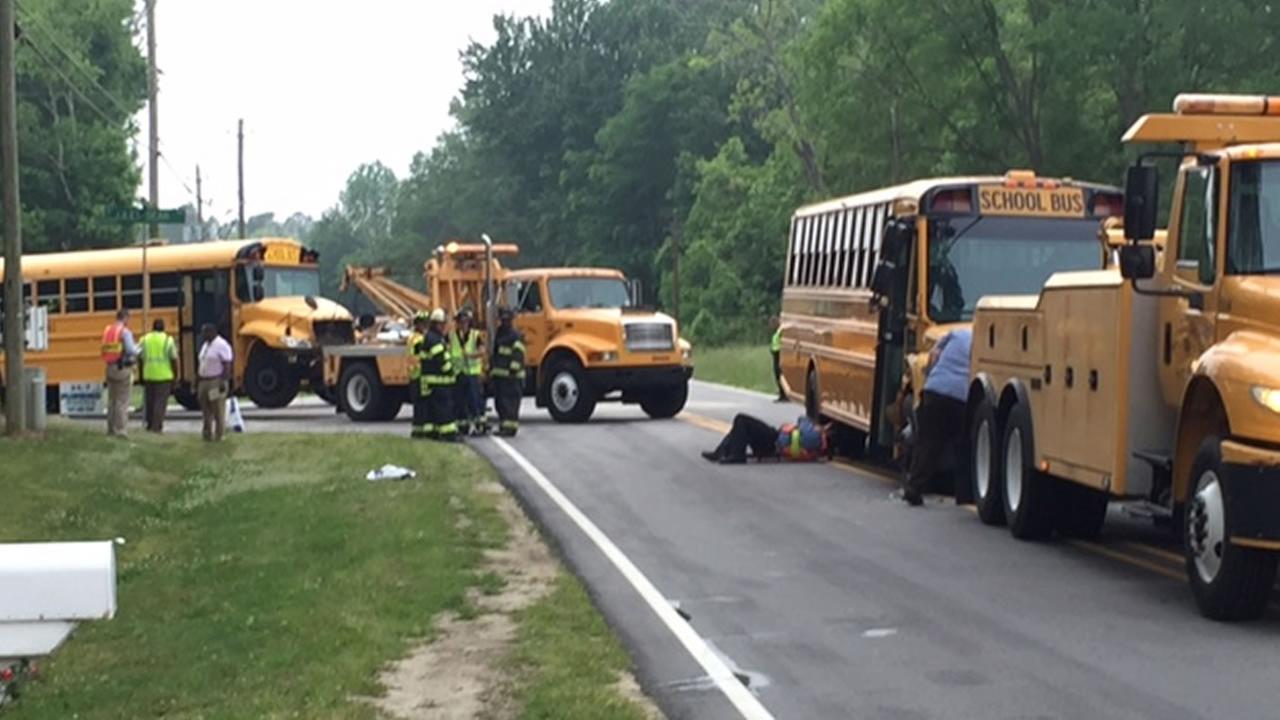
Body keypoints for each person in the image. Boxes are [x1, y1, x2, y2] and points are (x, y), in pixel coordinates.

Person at [901, 327, 973, 506]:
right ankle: (964, 494)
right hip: (961, 396)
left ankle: (914, 488)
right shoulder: (984, 341)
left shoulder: (955, 333)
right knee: (963, 446)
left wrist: (931, 376)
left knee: (928, 444)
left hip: (934, 390)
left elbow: (933, 356)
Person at [701, 413, 828, 464]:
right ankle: (720, 452)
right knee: (739, 428)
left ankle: (736, 455)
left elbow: (803, 420)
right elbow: (802, 419)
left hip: (774, 442)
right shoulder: (814, 434)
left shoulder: (815, 436)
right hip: (774, 439)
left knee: (741, 419)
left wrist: (815, 427)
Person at [417, 308, 459, 441]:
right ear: (437, 324)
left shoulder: (431, 337)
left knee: (432, 410)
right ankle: (449, 434)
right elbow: (441, 360)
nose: (444, 327)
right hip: (439, 382)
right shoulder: (434, 339)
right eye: (442, 324)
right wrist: (451, 372)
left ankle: (432, 433)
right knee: (444, 409)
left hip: (432, 382)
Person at [101, 309, 140, 437]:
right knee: (122, 401)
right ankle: (121, 430)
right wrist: (139, 349)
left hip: (109, 367)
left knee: (112, 400)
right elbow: (130, 350)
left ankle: (110, 429)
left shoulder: (108, 330)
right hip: (122, 368)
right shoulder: (124, 332)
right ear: (126, 318)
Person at [138, 318, 179, 433]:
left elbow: (139, 358)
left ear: (153, 327)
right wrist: (176, 376)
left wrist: (141, 374)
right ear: (163, 328)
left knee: (149, 401)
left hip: (149, 375)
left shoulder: (144, 339)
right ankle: (157, 426)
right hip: (164, 376)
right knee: (160, 403)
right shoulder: (168, 340)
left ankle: (149, 424)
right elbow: (174, 359)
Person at [450, 308, 486, 435]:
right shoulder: (452, 335)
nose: (462, 324)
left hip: (472, 374)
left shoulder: (475, 335)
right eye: (460, 322)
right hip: (458, 374)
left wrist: (470, 355)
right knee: (459, 402)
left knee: (474, 401)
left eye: (464, 321)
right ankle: (462, 426)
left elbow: (482, 351)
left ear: (468, 322)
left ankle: (479, 426)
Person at [490, 307, 526, 437]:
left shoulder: (515, 336)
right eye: (502, 320)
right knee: (501, 403)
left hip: (512, 378)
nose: (504, 322)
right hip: (500, 377)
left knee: (510, 404)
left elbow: (518, 354)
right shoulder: (500, 333)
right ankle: (504, 426)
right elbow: (496, 354)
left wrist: (513, 370)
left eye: (506, 320)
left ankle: (510, 428)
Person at [197, 323, 234, 442]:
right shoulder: (206, 345)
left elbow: (227, 364)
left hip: (216, 381)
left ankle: (220, 434)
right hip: (204, 381)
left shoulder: (221, 345)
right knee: (205, 409)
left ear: (211, 332)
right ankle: (207, 434)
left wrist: (224, 381)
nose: (203, 335)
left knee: (217, 409)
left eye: (204, 333)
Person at [408, 311, 432, 439]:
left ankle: (417, 430)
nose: (425, 326)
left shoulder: (412, 338)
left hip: (415, 376)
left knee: (419, 406)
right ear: (418, 324)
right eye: (424, 323)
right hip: (420, 376)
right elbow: (424, 357)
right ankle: (422, 431)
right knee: (422, 406)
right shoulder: (419, 340)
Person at [769, 316, 786, 402]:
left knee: (779, 375)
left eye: (772, 324)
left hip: (779, 354)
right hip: (775, 354)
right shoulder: (777, 332)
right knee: (777, 375)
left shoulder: (780, 331)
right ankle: (781, 392)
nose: (771, 326)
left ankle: (783, 394)